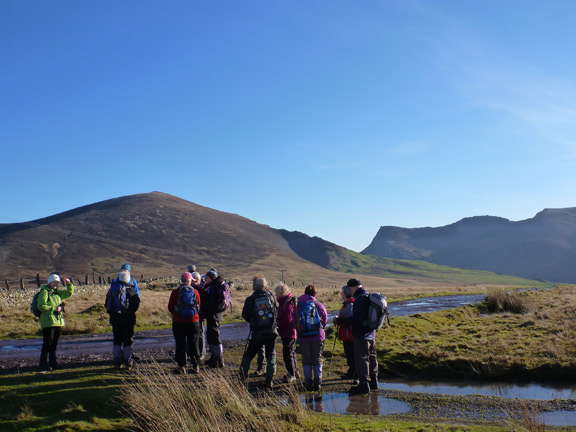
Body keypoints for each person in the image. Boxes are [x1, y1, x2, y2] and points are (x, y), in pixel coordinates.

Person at [239, 276, 278, 388]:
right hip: (271, 331)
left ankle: (242, 377)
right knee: (271, 354)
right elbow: (276, 312)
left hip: (257, 332)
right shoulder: (271, 297)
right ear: (266, 286)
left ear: (254, 287)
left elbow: (245, 315)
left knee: (249, 354)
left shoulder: (250, 299)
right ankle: (269, 380)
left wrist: (253, 321)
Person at [341, 278, 379, 395]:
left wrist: (342, 320)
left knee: (361, 359)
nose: (350, 291)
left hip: (361, 334)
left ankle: (364, 385)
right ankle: (374, 382)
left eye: (350, 289)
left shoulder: (359, 299)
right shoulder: (368, 296)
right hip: (371, 334)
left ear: (354, 288)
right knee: (372, 357)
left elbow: (357, 319)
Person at [37, 273, 74, 371]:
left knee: (53, 344)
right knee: (47, 343)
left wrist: (69, 284)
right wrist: (54, 308)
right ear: (50, 282)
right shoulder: (44, 292)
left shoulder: (57, 293)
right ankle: (43, 364)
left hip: (57, 321)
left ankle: (53, 363)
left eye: (57, 282)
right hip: (48, 322)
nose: (56, 284)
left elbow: (68, 293)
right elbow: (41, 306)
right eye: (54, 282)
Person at [105, 269, 140, 368]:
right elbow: (136, 304)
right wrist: (131, 311)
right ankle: (128, 361)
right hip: (127, 318)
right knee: (127, 340)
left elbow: (107, 303)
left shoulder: (112, 289)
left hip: (115, 318)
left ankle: (117, 360)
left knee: (117, 339)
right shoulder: (130, 289)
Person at [168, 272, 201, 374]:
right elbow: (198, 306)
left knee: (180, 344)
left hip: (178, 321)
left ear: (181, 280)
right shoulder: (195, 292)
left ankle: (182, 366)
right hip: (193, 321)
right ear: (190, 281)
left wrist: (177, 314)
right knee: (194, 343)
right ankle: (196, 366)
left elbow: (170, 307)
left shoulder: (175, 292)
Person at [296, 284, 327, 391]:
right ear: (315, 293)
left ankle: (308, 382)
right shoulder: (319, 305)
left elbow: (294, 321)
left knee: (306, 360)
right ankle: (318, 382)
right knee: (317, 359)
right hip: (318, 337)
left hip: (303, 338)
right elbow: (325, 320)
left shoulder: (298, 306)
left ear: (304, 293)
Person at [202, 268, 228, 368]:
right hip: (215, 314)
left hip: (213, 314)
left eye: (207, 278)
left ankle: (219, 359)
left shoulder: (213, 288)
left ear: (212, 278)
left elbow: (210, 302)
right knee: (211, 335)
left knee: (215, 336)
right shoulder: (215, 286)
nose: (205, 280)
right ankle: (214, 357)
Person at [332, 284, 357, 383]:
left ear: (346, 294)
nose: (341, 294)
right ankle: (352, 372)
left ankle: (355, 375)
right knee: (349, 354)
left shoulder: (350, 305)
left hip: (350, 334)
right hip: (347, 334)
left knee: (352, 354)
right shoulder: (348, 304)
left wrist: (339, 320)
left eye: (342, 292)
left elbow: (350, 320)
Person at [275, 282, 298, 383]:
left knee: (288, 353)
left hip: (288, 332)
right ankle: (294, 372)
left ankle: (292, 374)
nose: (275, 295)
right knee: (291, 352)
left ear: (281, 293)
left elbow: (288, 319)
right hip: (290, 332)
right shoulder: (286, 302)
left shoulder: (287, 303)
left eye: (277, 293)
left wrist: (278, 323)